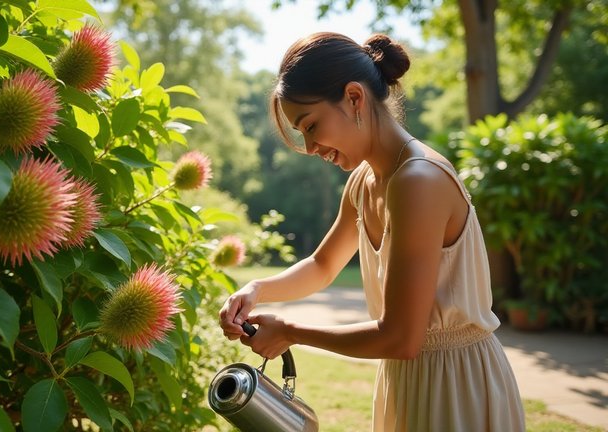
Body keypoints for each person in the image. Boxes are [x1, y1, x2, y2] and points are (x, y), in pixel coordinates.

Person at [219, 32, 525, 431]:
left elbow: (401, 338)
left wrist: (291, 332)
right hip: (406, 380)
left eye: (311, 125)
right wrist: (258, 288)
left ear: (354, 98)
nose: (310, 147)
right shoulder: (365, 181)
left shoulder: (418, 180)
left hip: (456, 385)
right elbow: (323, 264)